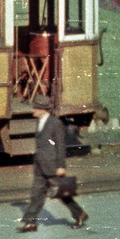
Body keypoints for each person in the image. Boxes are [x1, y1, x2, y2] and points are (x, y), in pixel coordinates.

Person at [18, 97, 87, 231]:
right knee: (36, 193)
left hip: (52, 166)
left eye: (35, 108)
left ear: (42, 110)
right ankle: (31, 223)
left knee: (61, 193)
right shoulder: (39, 122)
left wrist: (61, 166)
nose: (33, 110)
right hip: (40, 165)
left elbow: (60, 146)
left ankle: (79, 214)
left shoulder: (55, 123)